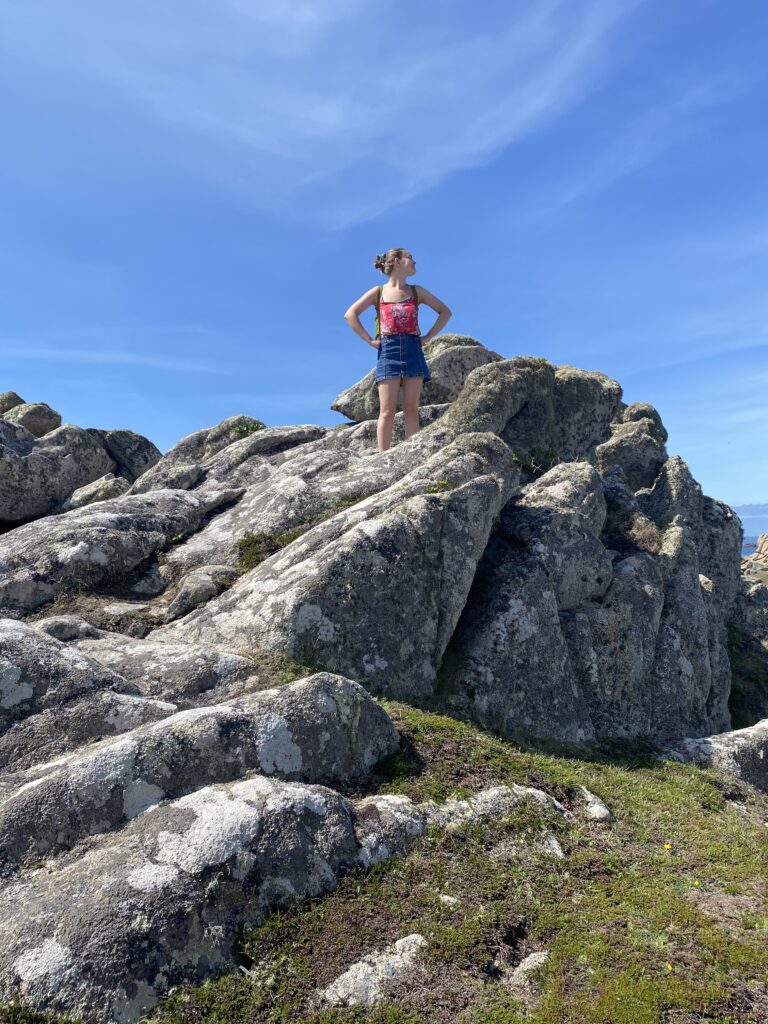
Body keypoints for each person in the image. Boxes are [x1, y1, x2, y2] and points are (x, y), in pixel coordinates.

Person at [343, 247, 452, 452]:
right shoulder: (379, 292)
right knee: (387, 411)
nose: (414, 262)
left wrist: (428, 337)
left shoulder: (416, 291)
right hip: (388, 350)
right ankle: (383, 457)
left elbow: (445, 312)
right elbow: (351, 314)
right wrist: (369, 340)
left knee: (412, 409)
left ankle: (412, 455)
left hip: (413, 349)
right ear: (398, 262)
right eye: (410, 257)